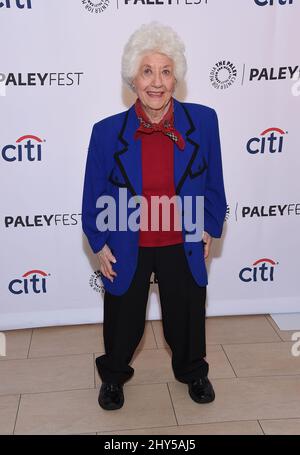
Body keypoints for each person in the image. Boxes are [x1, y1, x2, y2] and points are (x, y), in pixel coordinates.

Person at [81, 22, 227, 411]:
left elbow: (215, 180)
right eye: (147, 71)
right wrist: (100, 242)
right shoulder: (106, 132)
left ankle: (193, 370)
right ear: (133, 78)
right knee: (122, 318)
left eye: (165, 71)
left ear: (175, 76)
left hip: (183, 236)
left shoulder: (205, 121)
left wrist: (211, 225)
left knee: (188, 313)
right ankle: (113, 377)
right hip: (128, 238)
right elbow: (93, 195)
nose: (157, 82)